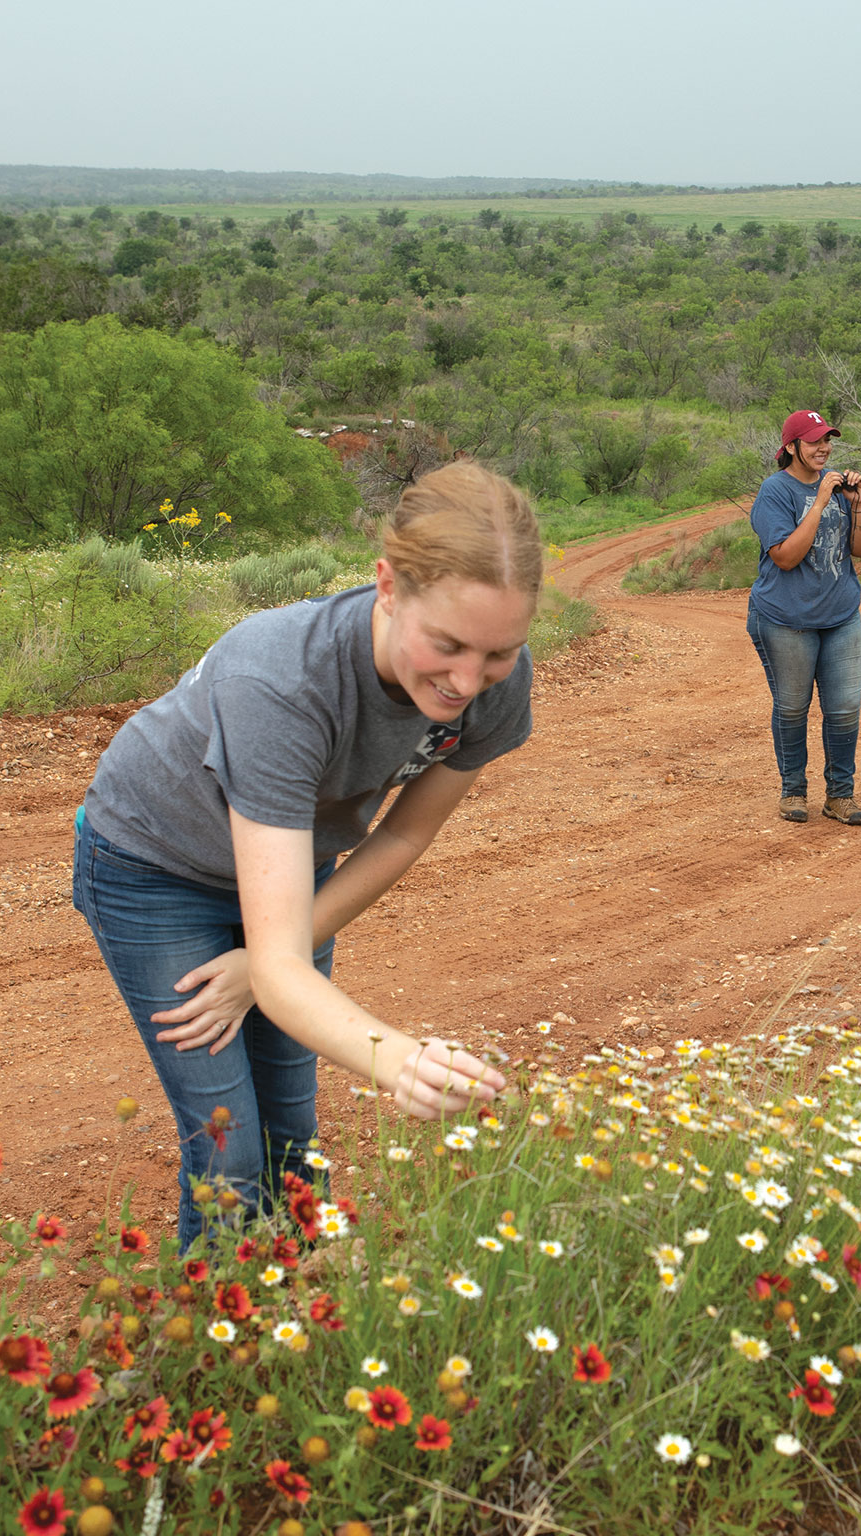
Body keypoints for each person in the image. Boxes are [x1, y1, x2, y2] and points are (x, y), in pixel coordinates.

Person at [72, 461, 538, 1249]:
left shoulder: (499, 679)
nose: (468, 681)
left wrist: (264, 962)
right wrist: (397, 1060)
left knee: (292, 1122)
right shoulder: (282, 678)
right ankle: (215, 1344)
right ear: (387, 586)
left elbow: (403, 833)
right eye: (448, 645)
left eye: (497, 654)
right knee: (229, 1144)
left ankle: (301, 1315)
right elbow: (285, 967)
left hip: (290, 867)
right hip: (153, 867)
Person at [746, 409, 861, 826]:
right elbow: (784, 557)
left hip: (840, 614)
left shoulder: (838, 488)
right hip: (786, 617)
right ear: (791, 447)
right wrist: (819, 503)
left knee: (844, 708)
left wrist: (858, 506)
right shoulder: (775, 491)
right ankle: (793, 791)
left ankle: (840, 795)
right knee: (792, 707)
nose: (824, 448)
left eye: (827, 440)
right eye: (815, 441)